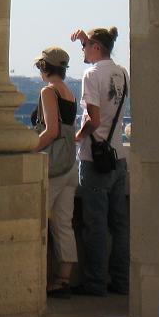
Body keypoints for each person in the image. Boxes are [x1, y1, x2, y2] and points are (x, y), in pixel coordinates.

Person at [70, 25, 129, 296]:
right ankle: (122, 280)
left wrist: (77, 138)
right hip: (118, 158)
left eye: (84, 46)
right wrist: (86, 38)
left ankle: (95, 284)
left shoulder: (90, 74)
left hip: (95, 160)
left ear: (95, 47)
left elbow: (93, 120)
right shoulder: (122, 73)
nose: (82, 50)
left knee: (95, 224)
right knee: (119, 225)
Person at [32, 46, 79, 299]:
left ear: (44, 67)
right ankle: (63, 279)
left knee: (36, 218)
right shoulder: (69, 92)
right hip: (70, 165)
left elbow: (50, 131)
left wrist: (29, 150)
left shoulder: (48, 91)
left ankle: (32, 275)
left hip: (54, 166)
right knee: (64, 223)